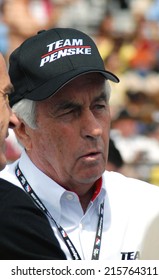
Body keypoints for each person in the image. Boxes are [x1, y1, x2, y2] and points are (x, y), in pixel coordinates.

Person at [1, 27, 159, 260]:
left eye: (99, 106)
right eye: (69, 112)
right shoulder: (5, 208)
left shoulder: (154, 209)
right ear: (22, 130)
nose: (94, 129)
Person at [0, 52, 66, 260]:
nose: (13, 119)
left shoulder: (152, 203)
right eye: (4, 97)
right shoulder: (9, 211)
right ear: (25, 132)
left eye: (99, 106)